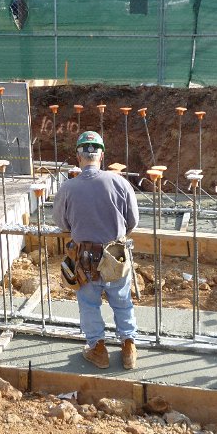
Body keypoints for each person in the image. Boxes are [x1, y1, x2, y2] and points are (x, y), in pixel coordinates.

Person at [53, 130, 139, 370]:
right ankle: (129, 347)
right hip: (116, 256)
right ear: (101, 155)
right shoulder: (120, 183)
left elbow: (62, 223)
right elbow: (133, 221)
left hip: (85, 259)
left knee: (89, 304)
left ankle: (98, 350)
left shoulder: (68, 188)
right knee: (122, 302)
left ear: (78, 157)